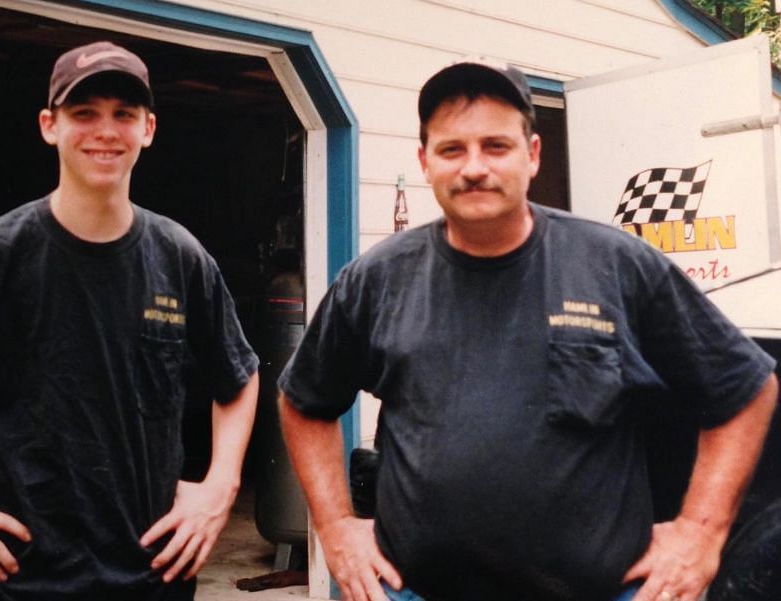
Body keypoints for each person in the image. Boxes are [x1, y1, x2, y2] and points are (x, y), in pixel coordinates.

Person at [277, 60, 779, 601]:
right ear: (424, 162)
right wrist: (334, 528)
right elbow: (304, 401)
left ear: (532, 154)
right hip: (416, 590)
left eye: (496, 146)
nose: (474, 167)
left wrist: (701, 534)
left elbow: (744, 389)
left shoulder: (616, 266)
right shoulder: (377, 280)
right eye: (452, 149)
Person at [0, 41, 259, 601]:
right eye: (84, 113)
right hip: (13, 582)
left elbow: (239, 376)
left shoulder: (180, 257)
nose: (105, 130)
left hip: (152, 581)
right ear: (49, 126)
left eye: (123, 114)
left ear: (148, 128)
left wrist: (220, 486)